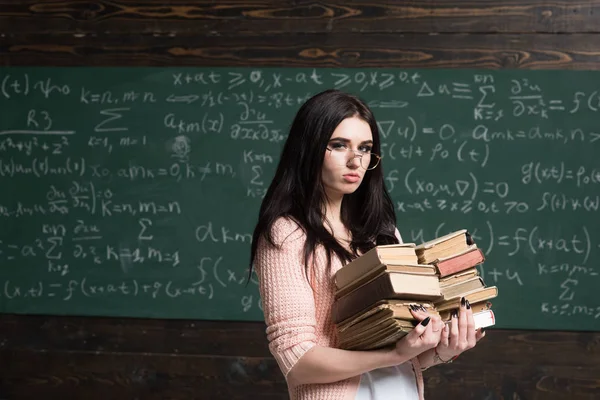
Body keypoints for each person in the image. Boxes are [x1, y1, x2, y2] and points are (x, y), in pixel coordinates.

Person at [249, 89, 485, 400]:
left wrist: (442, 347)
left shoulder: (382, 233)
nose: (355, 160)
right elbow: (297, 360)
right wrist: (394, 355)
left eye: (365, 148)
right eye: (338, 145)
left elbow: (405, 355)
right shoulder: (286, 234)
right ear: (308, 148)